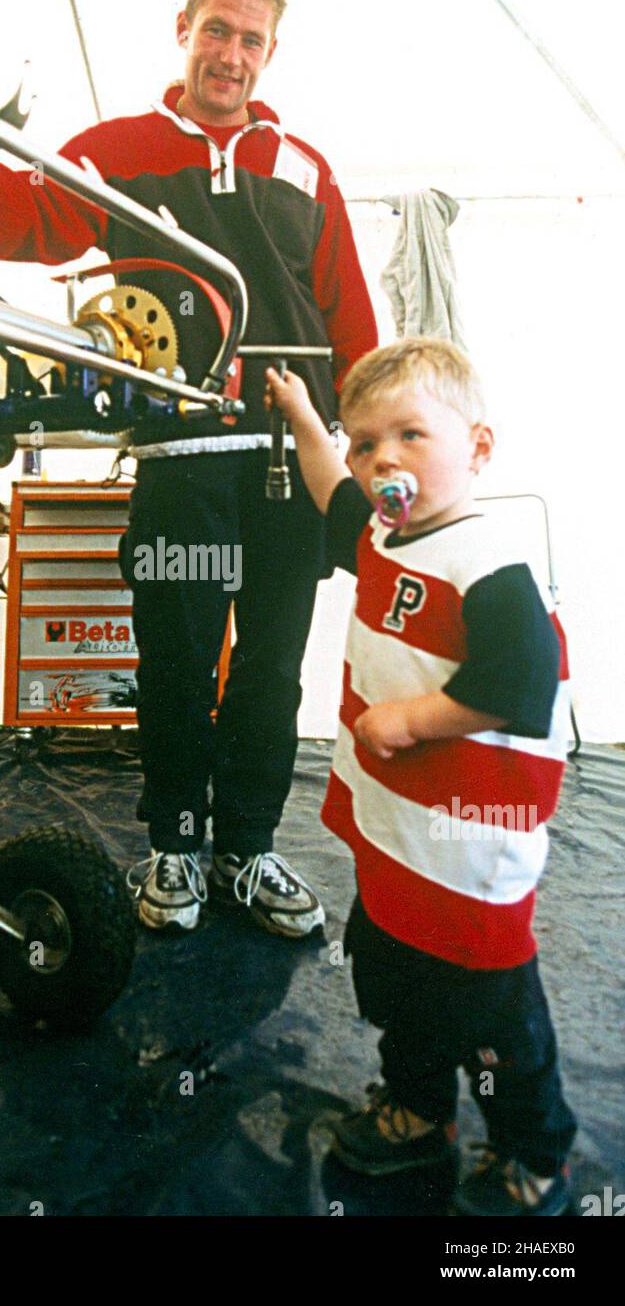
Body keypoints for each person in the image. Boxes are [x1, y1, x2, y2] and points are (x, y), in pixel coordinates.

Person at [0, 0, 378, 937]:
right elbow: (25, 216)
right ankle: (174, 844)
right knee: (175, 657)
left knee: (272, 667)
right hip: (181, 463)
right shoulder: (116, 149)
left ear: (271, 51)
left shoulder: (307, 169)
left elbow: (352, 316)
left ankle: (246, 850)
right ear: (184, 28)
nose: (231, 55)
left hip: (288, 461)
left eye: (251, 39)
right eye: (218, 30)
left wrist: (373, 440)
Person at [267, 337, 576, 1215]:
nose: (380, 462)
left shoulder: (489, 560)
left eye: (408, 435)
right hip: (396, 835)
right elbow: (331, 491)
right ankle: (416, 1110)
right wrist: (300, 417)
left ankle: (533, 1154)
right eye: (365, 443)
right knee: (397, 974)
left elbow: (518, 682)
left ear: (477, 449)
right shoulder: (379, 534)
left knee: (487, 1008)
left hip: (467, 841)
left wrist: (410, 719)